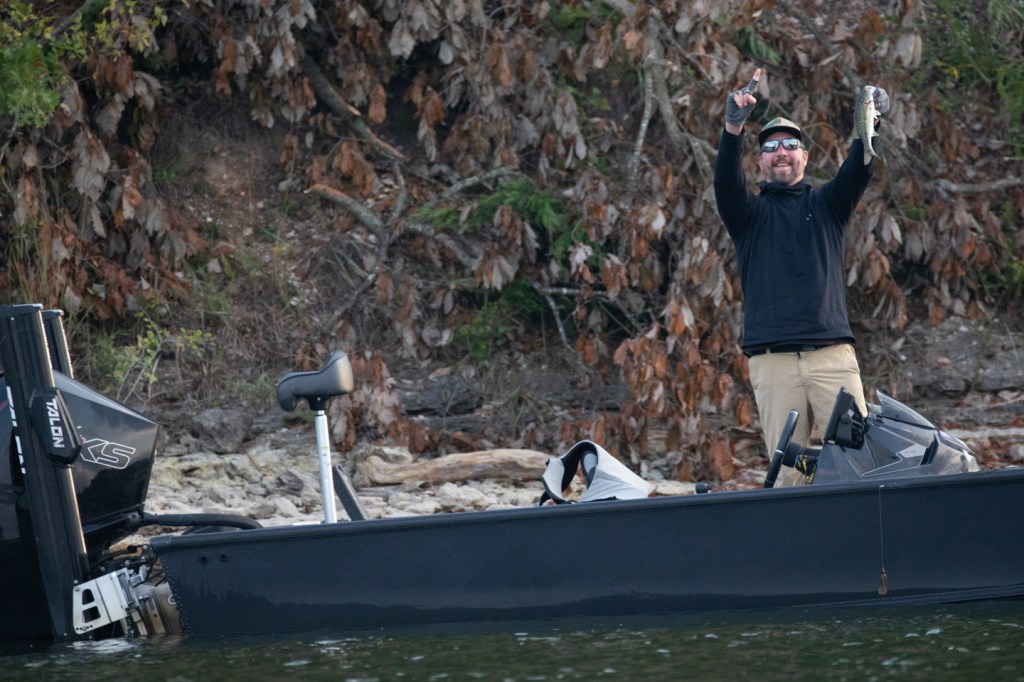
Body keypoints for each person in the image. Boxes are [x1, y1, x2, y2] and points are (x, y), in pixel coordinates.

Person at [713, 68, 890, 485]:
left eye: (791, 145)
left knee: (859, 467)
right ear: (760, 162)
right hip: (773, 362)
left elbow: (860, 167)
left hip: (832, 357)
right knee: (791, 476)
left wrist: (873, 118)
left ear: (804, 158)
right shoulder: (749, 216)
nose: (782, 152)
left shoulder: (828, 205)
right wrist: (733, 129)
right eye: (771, 147)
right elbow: (725, 184)